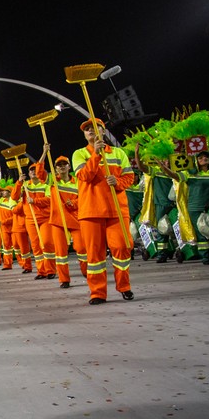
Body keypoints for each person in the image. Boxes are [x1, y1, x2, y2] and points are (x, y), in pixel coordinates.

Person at [71, 118, 135, 305]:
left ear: (103, 131)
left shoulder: (118, 152)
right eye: (87, 129)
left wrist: (118, 182)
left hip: (116, 209)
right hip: (91, 212)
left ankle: (124, 287)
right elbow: (85, 176)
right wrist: (96, 156)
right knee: (95, 255)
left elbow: (129, 176)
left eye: (95, 128)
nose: (91, 131)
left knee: (122, 248)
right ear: (84, 134)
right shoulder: (79, 154)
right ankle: (98, 293)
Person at [47, 154, 86, 288]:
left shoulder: (78, 181)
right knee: (61, 252)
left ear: (69, 166)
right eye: (59, 165)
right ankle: (64, 279)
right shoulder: (52, 181)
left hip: (75, 219)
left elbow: (84, 198)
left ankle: (87, 271)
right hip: (58, 221)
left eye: (64, 164)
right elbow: (39, 172)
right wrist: (44, 152)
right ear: (55, 169)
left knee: (81, 248)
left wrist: (74, 203)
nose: (62, 167)